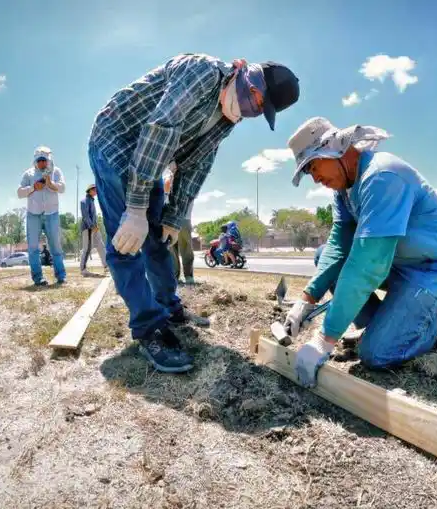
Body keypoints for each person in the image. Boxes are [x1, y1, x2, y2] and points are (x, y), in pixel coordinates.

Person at [87, 53, 299, 373]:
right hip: (116, 143)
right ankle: (148, 328)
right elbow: (161, 127)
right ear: (243, 71)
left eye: (260, 108)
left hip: (151, 159)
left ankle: (168, 307)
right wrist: (135, 208)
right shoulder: (202, 71)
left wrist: (175, 215)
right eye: (254, 96)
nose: (251, 109)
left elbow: (197, 163)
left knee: (158, 239)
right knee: (126, 241)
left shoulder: (228, 117)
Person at [283, 117, 437, 388]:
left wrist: (324, 340)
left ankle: (435, 323)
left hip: (431, 269)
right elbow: (338, 246)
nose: (315, 178)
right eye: (309, 172)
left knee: (376, 354)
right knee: (323, 255)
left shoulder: (382, 176)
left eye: (314, 166)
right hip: (397, 263)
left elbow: (369, 263)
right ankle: (388, 325)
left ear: (334, 149)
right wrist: (305, 301)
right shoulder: (344, 188)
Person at [16, 146, 67, 286]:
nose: (42, 163)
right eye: (39, 160)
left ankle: (61, 276)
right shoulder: (28, 174)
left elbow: (62, 188)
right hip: (33, 214)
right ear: (35, 161)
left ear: (49, 160)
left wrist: (51, 184)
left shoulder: (56, 171)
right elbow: (19, 192)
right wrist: (33, 188)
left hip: (52, 213)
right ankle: (38, 278)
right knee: (33, 248)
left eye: (44, 160)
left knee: (56, 246)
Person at [164, 166, 195, 284]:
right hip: (169, 217)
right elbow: (165, 192)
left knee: (186, 247)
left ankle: (189, 275)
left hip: (184, 218)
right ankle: (175, 276)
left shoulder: (189, 178)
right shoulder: (168, 178)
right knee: (172, 248)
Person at [80, 183, 108, 276]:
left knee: (100, 245)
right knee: (87, 248)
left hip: (95, 228)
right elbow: (85, 215)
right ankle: (83, 269)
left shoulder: (92, 201)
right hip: (88, 228)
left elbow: (93, 216)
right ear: (90, 190)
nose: (96, 191)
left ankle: (106, 266)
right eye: (95, 190)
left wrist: (96, 226)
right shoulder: (84, 201)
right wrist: (91, 226)